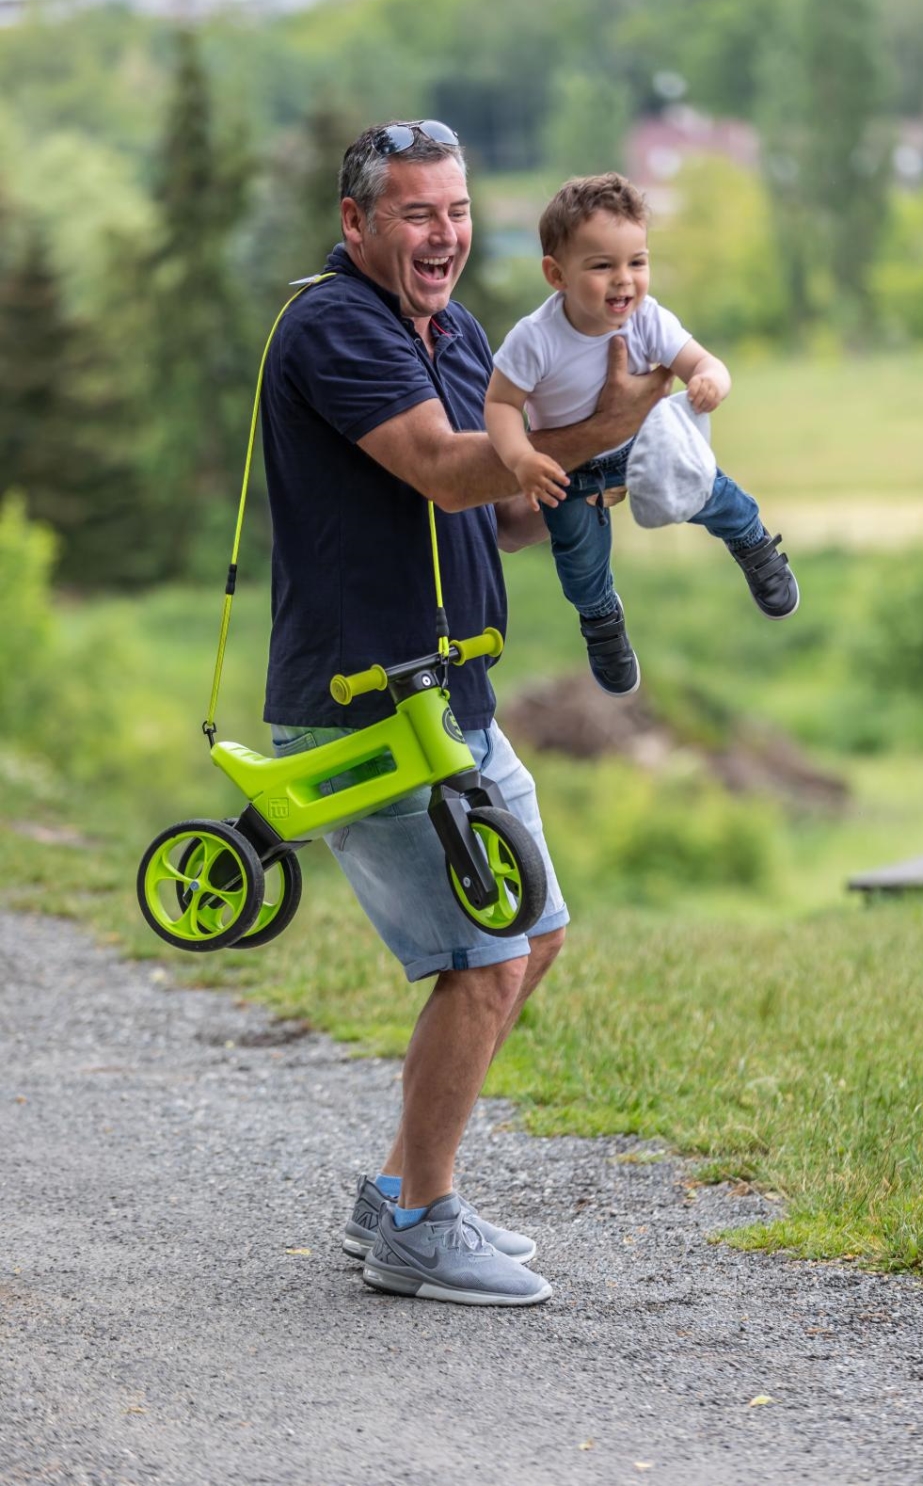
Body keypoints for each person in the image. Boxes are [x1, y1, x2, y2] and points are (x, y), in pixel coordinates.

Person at [259, 121, 670, 1306]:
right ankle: (420, 1224)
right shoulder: (336, 327)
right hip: (366, 704)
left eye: (457, 209)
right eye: (415, 213)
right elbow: (446, 469)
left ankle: (398, 1189)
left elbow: (492, 510)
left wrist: (593, 475)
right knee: (484, 959)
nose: (444, 235)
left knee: (529, 935)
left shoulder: (460, 333)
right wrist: (602, 423)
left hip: (450, 698)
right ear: (356, 223)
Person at [485, 172, 799, 696]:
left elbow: (705, 362)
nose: (624, 281)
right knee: (579, 560)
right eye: (602, 266)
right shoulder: (534, 339)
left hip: (644, 445)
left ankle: (752, 542)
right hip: (570, 470)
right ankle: (601, 619)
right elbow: (500, 404)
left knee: (710, 490)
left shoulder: (647, 319)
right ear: (556, 274)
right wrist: (521, 458)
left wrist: (710, 381)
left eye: (637, 262)